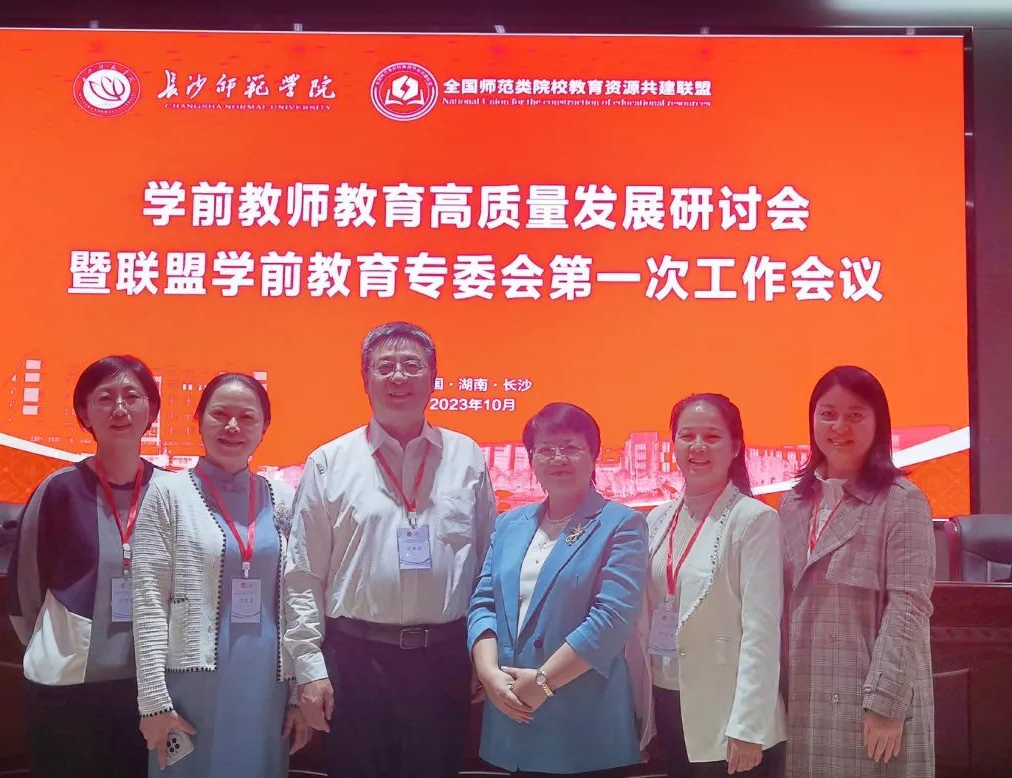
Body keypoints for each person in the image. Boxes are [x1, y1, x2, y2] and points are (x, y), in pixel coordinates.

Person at [285, 321, 497, 778]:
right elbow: (303, 575)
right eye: (385, 366)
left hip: (444, 658)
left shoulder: (467, 457)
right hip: (355, 658)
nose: (398, 376)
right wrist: (309, 666)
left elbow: (487, 566)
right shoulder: (329, 462)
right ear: (365, 380)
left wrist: (484, 655)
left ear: (433, 378)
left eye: (411, 365)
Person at [131, 373, 310, 776]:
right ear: (199, 420)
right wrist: (153, 702)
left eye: (247, 417)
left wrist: (297, 693)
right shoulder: (167, 494)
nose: (232, 426)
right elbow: (148, 602)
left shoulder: (283, 498)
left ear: (265, 427)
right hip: (190, 683)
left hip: (268, 682)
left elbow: (299, 598)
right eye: (220, 415)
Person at [468, 402, 648, 777]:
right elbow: (484, 603)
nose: (558, 458)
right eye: (545, 449)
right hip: (510, 716)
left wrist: (543, 684)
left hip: (583, 724)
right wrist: (488, 673)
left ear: (594, 455)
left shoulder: (621, 524)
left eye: (570, 447)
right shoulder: (509, 523)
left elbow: (610, 620)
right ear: (531, 460)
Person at [6, 355, 164, 778]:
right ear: (83, 411)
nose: (119, 408)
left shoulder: (173, 492)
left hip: (151, 687)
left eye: (132, 396)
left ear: (151, 409)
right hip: (67, 686)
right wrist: (55, 645)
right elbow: (24, 587)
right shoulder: (59, 489)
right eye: (105, 398)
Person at [780, 366, 935, 777]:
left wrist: (886, 702)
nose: (839, 427)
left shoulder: (902, 500)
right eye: (828, 414)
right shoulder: (793, 503)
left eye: (855, 415)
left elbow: (909, 607)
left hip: (871, 696)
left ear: (878, 422)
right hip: (807, 691)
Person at [629, 393, 786, 777]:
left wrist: (749, 726)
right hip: (667, 702)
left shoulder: (754, 519)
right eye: (687, 436)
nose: (697, 446)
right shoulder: (657, 518)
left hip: (727, 714)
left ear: (736, 447)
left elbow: (762, 632)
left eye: (712, 436)